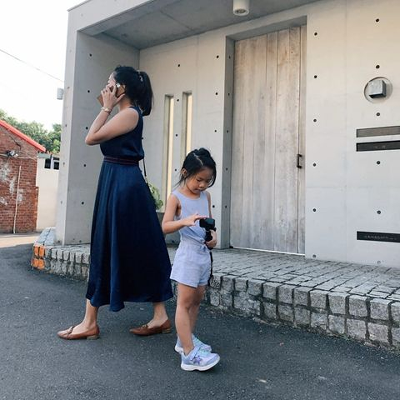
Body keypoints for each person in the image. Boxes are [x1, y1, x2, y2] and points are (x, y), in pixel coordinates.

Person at [57, 65, 173, 340]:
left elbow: (90, 138)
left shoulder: (130, 114)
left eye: (110, 82)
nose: (106, 87)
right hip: (116, 180)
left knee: (112, 244)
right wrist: (108, 108)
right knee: (131, 245)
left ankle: (91, 322)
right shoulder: (126, 114)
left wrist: (106, 107)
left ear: (122, 88)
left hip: (123, 185)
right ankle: (158, 315)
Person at [162, 148, 220, 371]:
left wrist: (213, 237)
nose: (203, 185)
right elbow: (165, 226)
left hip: (204, 254)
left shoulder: (206, 196)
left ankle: (184, 341)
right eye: (199, 180)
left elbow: (210, 224)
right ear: (185, 173)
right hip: (187, 254)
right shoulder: (176, 197)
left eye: (208, 181)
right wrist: (184, 221)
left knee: (196, 301)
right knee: (184, 304)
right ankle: (188, 354)